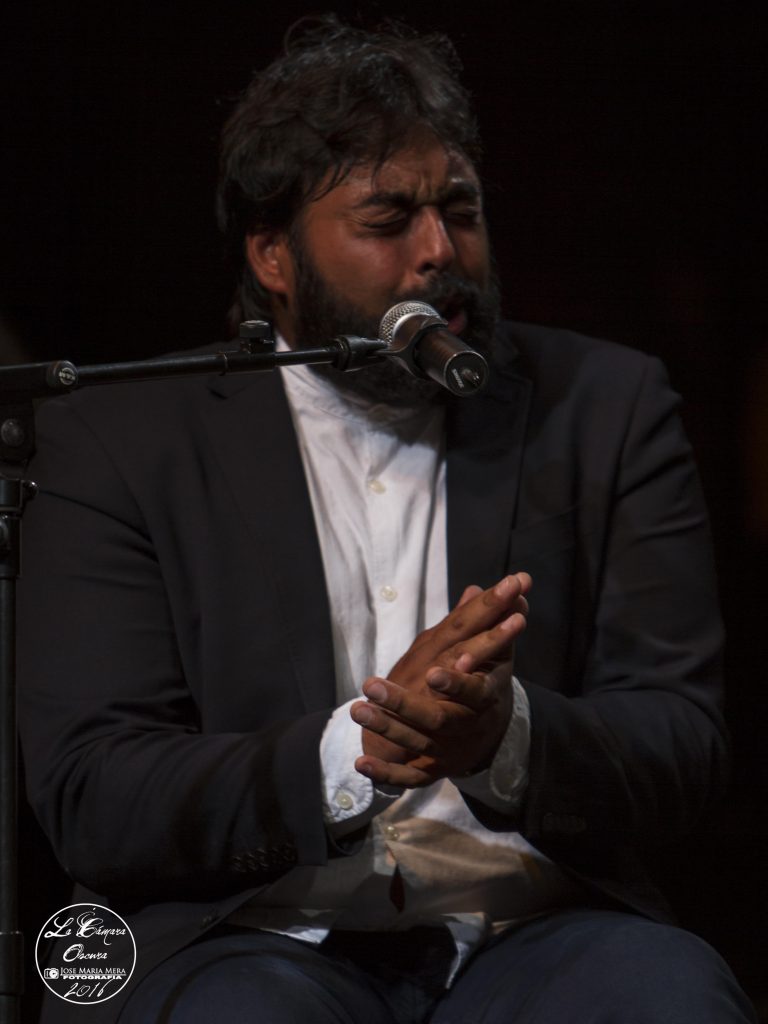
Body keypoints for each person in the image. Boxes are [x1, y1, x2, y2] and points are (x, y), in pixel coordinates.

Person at [18, 15, 755, 1024]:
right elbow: (94, 791)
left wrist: (505, 736)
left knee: (668, 1000)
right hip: (243, 933)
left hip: (532, 932)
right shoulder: (119, 439)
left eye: (461, 209)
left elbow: (682, 742)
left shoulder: (606, 407)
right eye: (388, 219)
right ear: (273, 255)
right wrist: (356, 754)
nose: (440, 251)